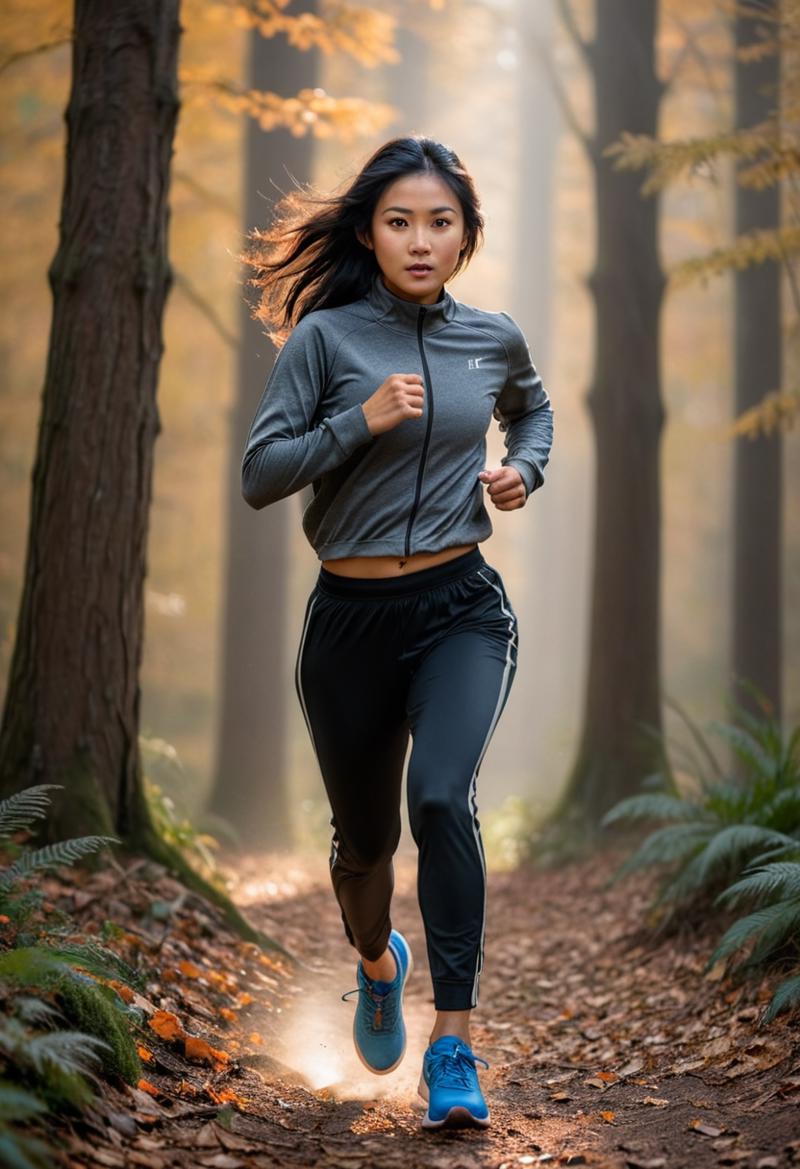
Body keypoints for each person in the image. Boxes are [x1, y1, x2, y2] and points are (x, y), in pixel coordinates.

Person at [240, 135, 553, 1130]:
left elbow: (531, 412)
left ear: (465, 236)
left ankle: (452, 1046)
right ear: (370, 231)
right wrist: (358, 422)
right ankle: (379, 964)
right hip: (349, 623)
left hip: (460, 606)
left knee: (440, 798)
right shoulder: (324, 342)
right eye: (398, 220)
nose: (419, 239)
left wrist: (521, 471)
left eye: (440, 221)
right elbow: (260, 473)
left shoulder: (491, 337)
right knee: (361, 845)